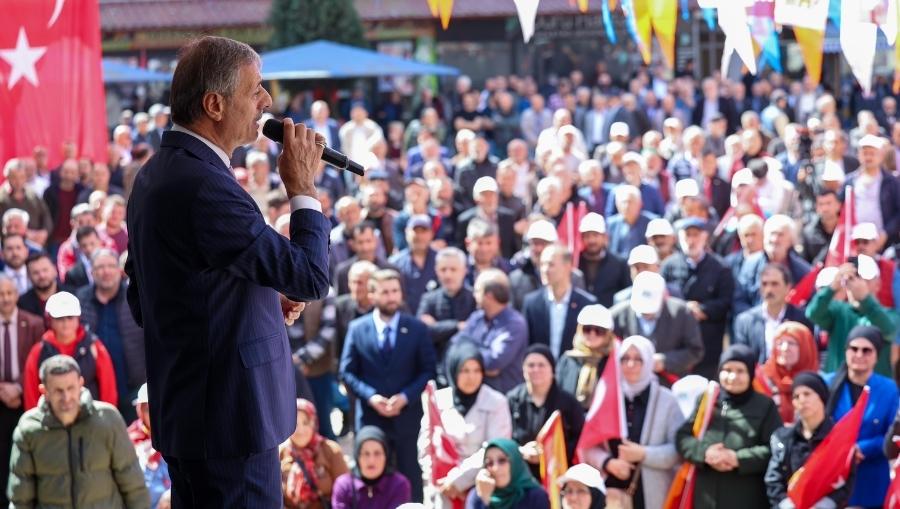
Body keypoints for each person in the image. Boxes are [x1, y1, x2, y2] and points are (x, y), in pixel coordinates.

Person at [124, 36, 332, 506]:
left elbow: (155, 300)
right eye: (255, 89)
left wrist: (259, 300)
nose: (267, 102)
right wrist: (302, 188)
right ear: (215, 104)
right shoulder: (204, 187)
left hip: (195, 419)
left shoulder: (157, 174)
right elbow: (310, 276)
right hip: (229, 428)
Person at [340, 269, 436, 502]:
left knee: (410, 473)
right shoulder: (357, 328)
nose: (392, 297)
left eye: (395, 291)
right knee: (370, 477)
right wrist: (371, 397)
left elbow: (428, 370)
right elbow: (346, 372)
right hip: (372, 418)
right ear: (372, 295)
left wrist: (405, 396)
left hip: (407, 417)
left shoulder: (416, 328)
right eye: (385, 292)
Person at [8, 355, 150, 508]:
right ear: (44, 391)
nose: (66, 397)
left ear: (81, 384)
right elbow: (20, 499)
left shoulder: (108, 419)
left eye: (71, 388)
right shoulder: (29, 429)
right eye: (58, 391)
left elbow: (134, 488)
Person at [675, 344, 782, 509]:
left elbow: (775, 449)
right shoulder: (707, 400)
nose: (732, 377)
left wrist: (737, 458)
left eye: (740, 371)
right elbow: (682, 437)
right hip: (706, 498)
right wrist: (705, 453)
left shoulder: (765, 406)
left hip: (747, 498)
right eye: (727, 370)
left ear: (750, 373)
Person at [582, 335, 682, 509]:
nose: (630, 365)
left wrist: (643, 454)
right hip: (610, 492)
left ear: (650, 361)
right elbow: (587, 443)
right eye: (625, 358)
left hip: (652, 494)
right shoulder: (606, 395)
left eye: (638, 359)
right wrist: (607, 462)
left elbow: (678, 451)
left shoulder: (667, 401)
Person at [419, 342, 512, 509]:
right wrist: (437, 480)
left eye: (476, 370)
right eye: (464, 370)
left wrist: (458, 481)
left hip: (481, 487)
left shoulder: (496, 402)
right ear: (454, 371)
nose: (471, 377)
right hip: (442, 490)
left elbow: (494, 449)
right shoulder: (438, 400)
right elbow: (426, 446)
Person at [824, 326, 898, 508]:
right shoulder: (828, 384)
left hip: (871, 479)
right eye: (854, 349)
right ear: (846, 351)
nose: (859, 355)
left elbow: (893, 434)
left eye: (867, 350)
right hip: (833, 478)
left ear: (876, 355)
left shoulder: (889, 389)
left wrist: (862, 448)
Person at [661, 217, 734, 378]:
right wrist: (682, 309)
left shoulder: (720, 268)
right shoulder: (668, 266)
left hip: (708, 340)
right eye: (687, 235)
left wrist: (703, 310)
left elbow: (726, 301)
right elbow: (661, 298)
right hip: (676, 342)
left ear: (705, 237)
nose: (691, 240)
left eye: (696, 235)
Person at [76, 249, 145, 421]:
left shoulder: (135, 296)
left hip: (132, 385)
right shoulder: (81, 299)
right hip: (94, 390)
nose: (105, 271)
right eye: (100, 267)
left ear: (119, 270)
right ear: (91, 271)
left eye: (110, 266)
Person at [764, 372, 850, 509]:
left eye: (807, 394)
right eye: (796, 396)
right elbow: (774, 479)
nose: (802, 400)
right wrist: (787, 504)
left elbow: (846, 481)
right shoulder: (784, 438)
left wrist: (825, 505)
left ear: (821, 397)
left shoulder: (839, 438)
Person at [22, 291, 117, 410]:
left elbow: (108, 388)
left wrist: (105, 418)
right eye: (59, 318)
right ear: (50, 320)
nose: (65, 323)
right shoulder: (38, 351)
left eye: (70, 317)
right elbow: (30, 392)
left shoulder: (94, 347)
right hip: (51, 422)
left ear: (78, 318)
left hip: (89, 418)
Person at [807, 258, 897, 375]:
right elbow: (813, 313)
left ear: (878, 284)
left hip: (874, 389)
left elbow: (889, 330)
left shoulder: (891, 314)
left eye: (865, 280)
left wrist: (865, 299)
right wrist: (832, 288)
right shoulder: (838, 310)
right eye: (851, 279)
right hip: (839, 388)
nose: (857, 284)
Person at [507, 344, 584, 478]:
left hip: (558, 474)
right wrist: (521, 451)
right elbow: (503, 438)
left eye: (541, 365)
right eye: (530, 365)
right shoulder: (512, 399)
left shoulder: (568, 402)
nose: (536, 369)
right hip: (519, 473)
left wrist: (550, 453)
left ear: (552, 370)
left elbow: (580, 439)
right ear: (523, 370)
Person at [611, 272, 705, 379]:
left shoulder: (681, 313)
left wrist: (665, 361)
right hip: (627, 381)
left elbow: (695, 351)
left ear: (663, 296)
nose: (646, 313)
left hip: (667, 382)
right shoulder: (618, 314)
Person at [0, 276, 43, 508]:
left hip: (25, 400)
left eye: (9, 293)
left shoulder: (34, 323)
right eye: (1, 294)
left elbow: (36, 361)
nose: (5, 298)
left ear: (17, 295)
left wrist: (16, 386)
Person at [452, 269, 528, 393]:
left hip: (502, 397)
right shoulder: (476, 318)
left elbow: (494, 362)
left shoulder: (515, 323)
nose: (474, 295)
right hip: (473, 396)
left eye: (477, 291)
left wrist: (468, 355)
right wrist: (478, 357)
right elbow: (454, 348)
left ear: (489, 295)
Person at [522, 245, 597, 359]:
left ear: (568, 267)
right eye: (542, 264)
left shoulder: (587, 304)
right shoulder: (531, 303)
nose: (545, 270)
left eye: (550, 264)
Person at [418, 247, 477, 385]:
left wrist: (437, 326)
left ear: (464, 270)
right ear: (436, 271)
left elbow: (474, 331)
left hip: (469, 371)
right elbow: (423, 332)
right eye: (443, 270)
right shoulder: (429, 299)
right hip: (437, 373)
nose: (448, 275)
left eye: (453, 269)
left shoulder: (474, 298)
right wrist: (457, 326)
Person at [732, 263, 813, 363]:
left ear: (788, 287)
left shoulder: (802, 319)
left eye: (775, 284)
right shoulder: (745, 321)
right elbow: (742, 359)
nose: (769, 290)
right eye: (764, 284)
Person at [279, 399, 349, 509]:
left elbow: (346, 492)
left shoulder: (330, 450)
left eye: (306, 423)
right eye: (294, 424)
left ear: (314, 423)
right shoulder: (281, 453)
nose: (300, 430)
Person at [752, 322, 819, 425]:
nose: (784, 348)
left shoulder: (817, 382)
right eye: (779, 343)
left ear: (805, 347)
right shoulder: (760, 378)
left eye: (791, 343)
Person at [331, 426, 411, 509]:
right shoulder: (344, 486)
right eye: (366, 453)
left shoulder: (399, 485)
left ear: (386, 456)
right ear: (357, 456)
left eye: (377, 453)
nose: (371, 460)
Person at [464, 438, 551, 509]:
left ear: (515, 462)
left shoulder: (535, 496)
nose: (495, 468)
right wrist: (483, 500)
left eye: (502, 460)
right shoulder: (478, 494)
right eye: (489, 463)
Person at [557, 305, 614, 409]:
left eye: (599, 330)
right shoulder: (568, 360)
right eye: (587, 329)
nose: (592, 334)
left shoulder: (613, 361)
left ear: (608, 334)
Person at [128, 383, 171, 509]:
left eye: (157, 408)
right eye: (148, 410)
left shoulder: (174, 432)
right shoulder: (131, 438)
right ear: (140, 411)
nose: (153, 415)